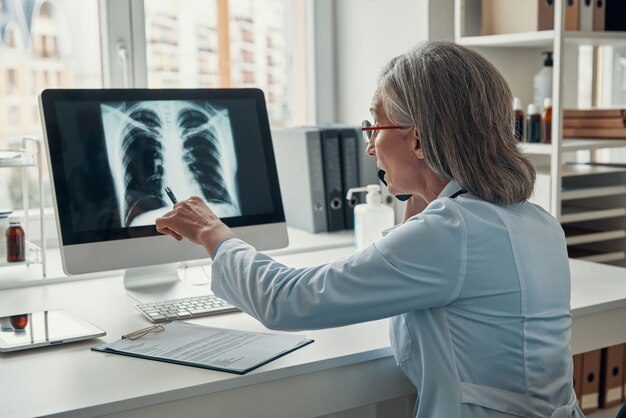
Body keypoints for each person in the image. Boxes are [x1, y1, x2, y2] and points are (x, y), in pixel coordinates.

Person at [155, 41, 583, 418]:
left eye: (373, 127)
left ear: (418, 141)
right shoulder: (534, 220)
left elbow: (288, 301)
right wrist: (421, 203)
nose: (367, 145)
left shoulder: (453, 231)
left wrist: (211, 231)